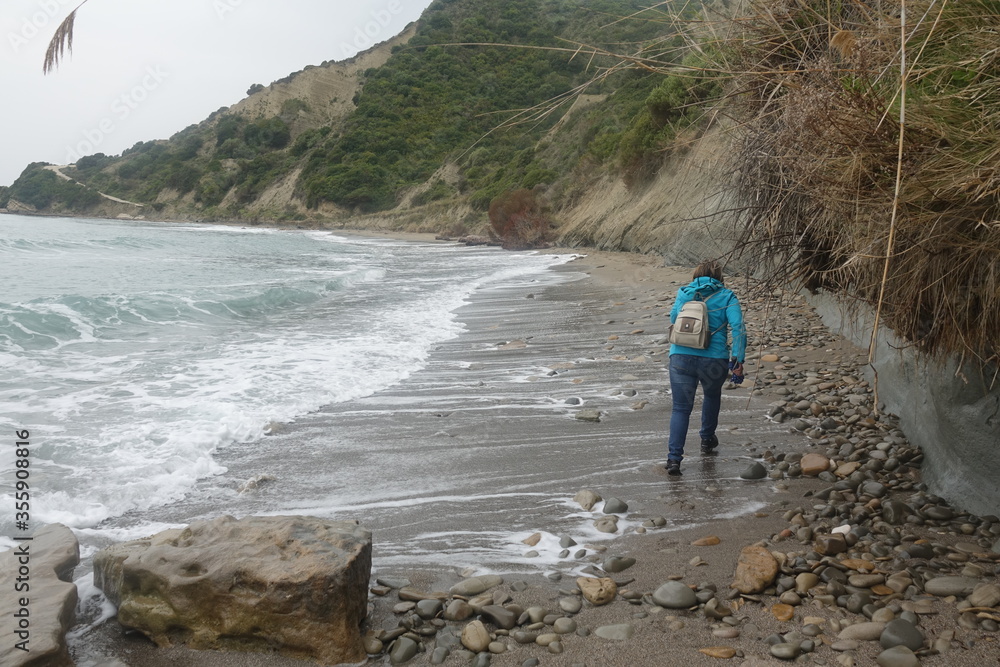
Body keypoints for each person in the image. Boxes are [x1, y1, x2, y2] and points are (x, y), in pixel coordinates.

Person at [665, 260, 746, 476]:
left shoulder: (684, 293)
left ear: (696, 275)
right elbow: (738, 327)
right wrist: (738, 359)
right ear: (720, 276)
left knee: (681, 408)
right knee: (711, 397)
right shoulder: (727, 296)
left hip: (681, 356)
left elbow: (674, 318)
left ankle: (674, 459)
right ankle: (706, 439)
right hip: (714, 358)